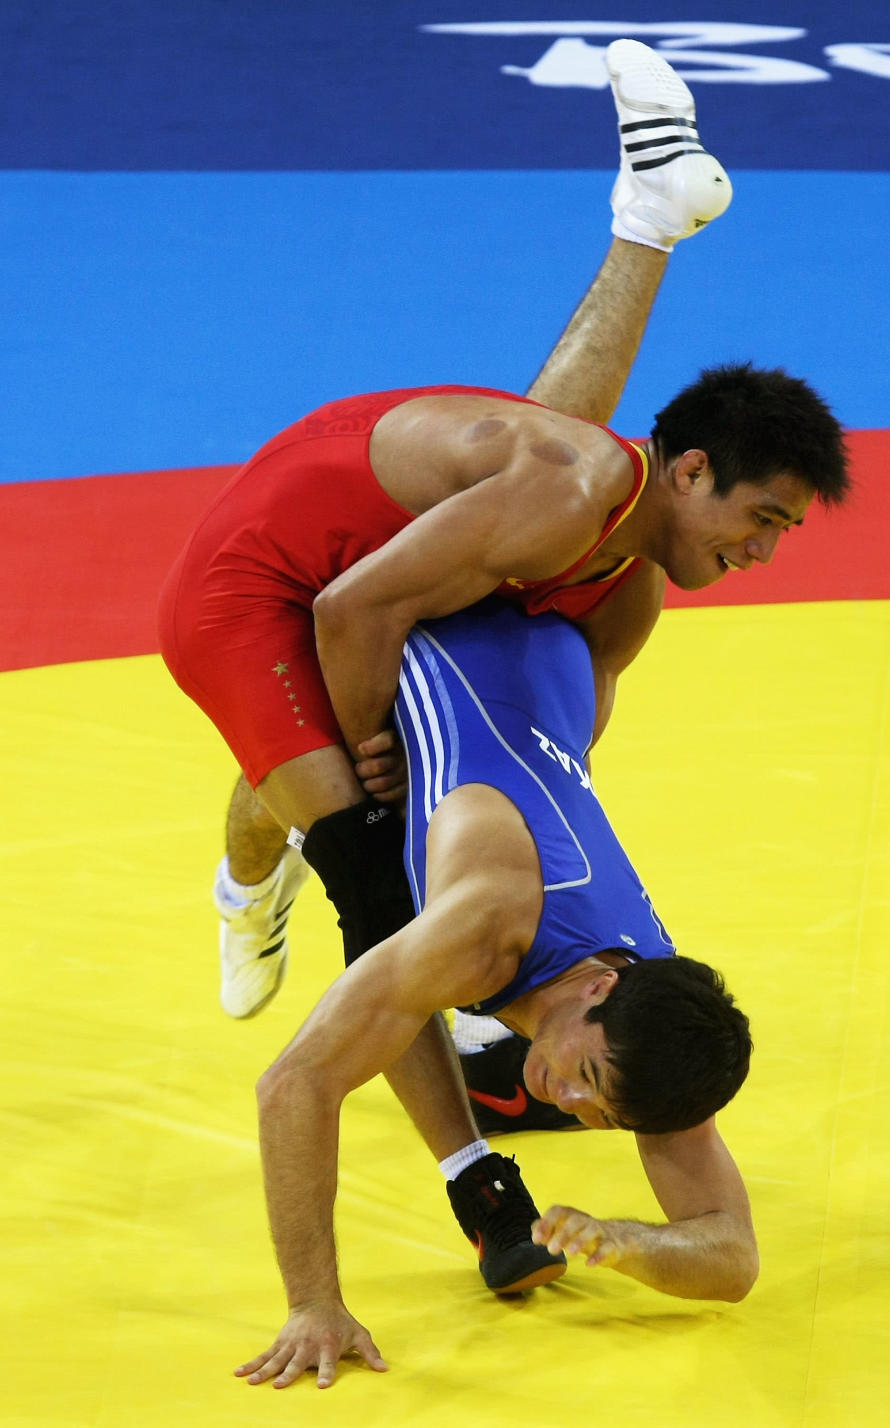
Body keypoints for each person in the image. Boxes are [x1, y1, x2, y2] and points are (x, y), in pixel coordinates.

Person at [158, 40, 849, 1301]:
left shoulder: (623, 577)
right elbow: (356, 611)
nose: (759, 556)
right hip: (267, 580)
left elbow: (569, 731)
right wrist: (371, 758)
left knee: (556, 478)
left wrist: (637, 1236)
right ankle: (480, 1192)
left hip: (415, 542)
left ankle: (649, 213)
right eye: (760, 523)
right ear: (697, 473)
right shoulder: (574, 508)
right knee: (368, 864)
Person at [234, 596, 757, 1391]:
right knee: (316, 823)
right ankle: (247, 892)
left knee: (401, 975)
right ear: (598, 988)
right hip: (380, 631)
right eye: (591, 1083)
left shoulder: (651, 1024)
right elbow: (294, 1085)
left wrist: (624, 1238)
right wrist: (314, 1304)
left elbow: (733, 1257)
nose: (574, 1105)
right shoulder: (483, 926)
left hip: (550, 679)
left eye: (602, 1115)